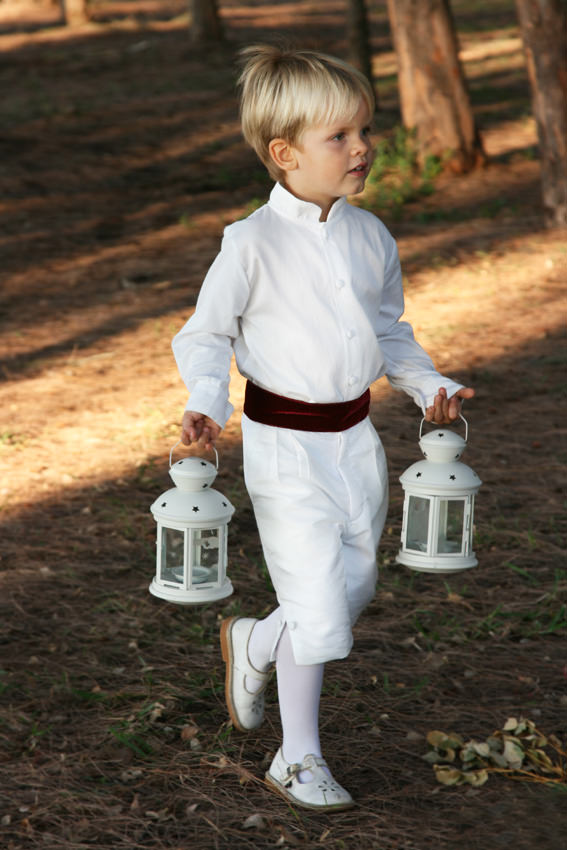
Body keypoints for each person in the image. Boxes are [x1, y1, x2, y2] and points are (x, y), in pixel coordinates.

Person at [172, 45, 474, 811]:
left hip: (356, 444)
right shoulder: (250, 244)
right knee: (316, 603)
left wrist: (429, 385)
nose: (362, 147)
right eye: (339, 136)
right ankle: (296, 757)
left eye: (363, 131)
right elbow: (205, 336)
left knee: (353, 585)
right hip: (284, 449)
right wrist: (207, 398)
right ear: (284, 154)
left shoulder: (370, 236)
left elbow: (390, 332)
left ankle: (258, 641)